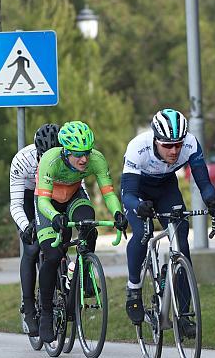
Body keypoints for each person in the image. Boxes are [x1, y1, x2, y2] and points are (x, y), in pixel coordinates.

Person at [120, 109, 215, 334]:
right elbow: (127, 193)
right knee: (143, 234)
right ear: (155, 139)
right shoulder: (138, 148)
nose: (174, 151)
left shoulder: (190, 144)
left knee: (182, 246)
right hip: (138, 190)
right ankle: (134, 290)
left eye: (178, 144)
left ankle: (184, 315)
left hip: (166, 187)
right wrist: (138, 206)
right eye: (167, 145)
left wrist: (211, 200)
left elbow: (203, 182)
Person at [35, 121, 128, 343]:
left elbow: (108, 192)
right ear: (66, 152)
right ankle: (46, 313)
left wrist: (117, 213)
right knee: (53, 254)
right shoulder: (51, 160)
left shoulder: (96, 159)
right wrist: (55, 217)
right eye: (78, 155)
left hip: (74, 197)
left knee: (89, 225)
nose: (84, 159)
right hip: (48, 204)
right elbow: (43, 202)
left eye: (86, 153)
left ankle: (83, 270)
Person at [9, 123, 60, 337]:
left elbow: (81, 189)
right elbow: (16, 204)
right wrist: (25, 226)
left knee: (60, 243)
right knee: (32, 248)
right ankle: (28, 305)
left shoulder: (68, 159)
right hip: (31, 196)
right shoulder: (23, 160)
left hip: (56, 193)